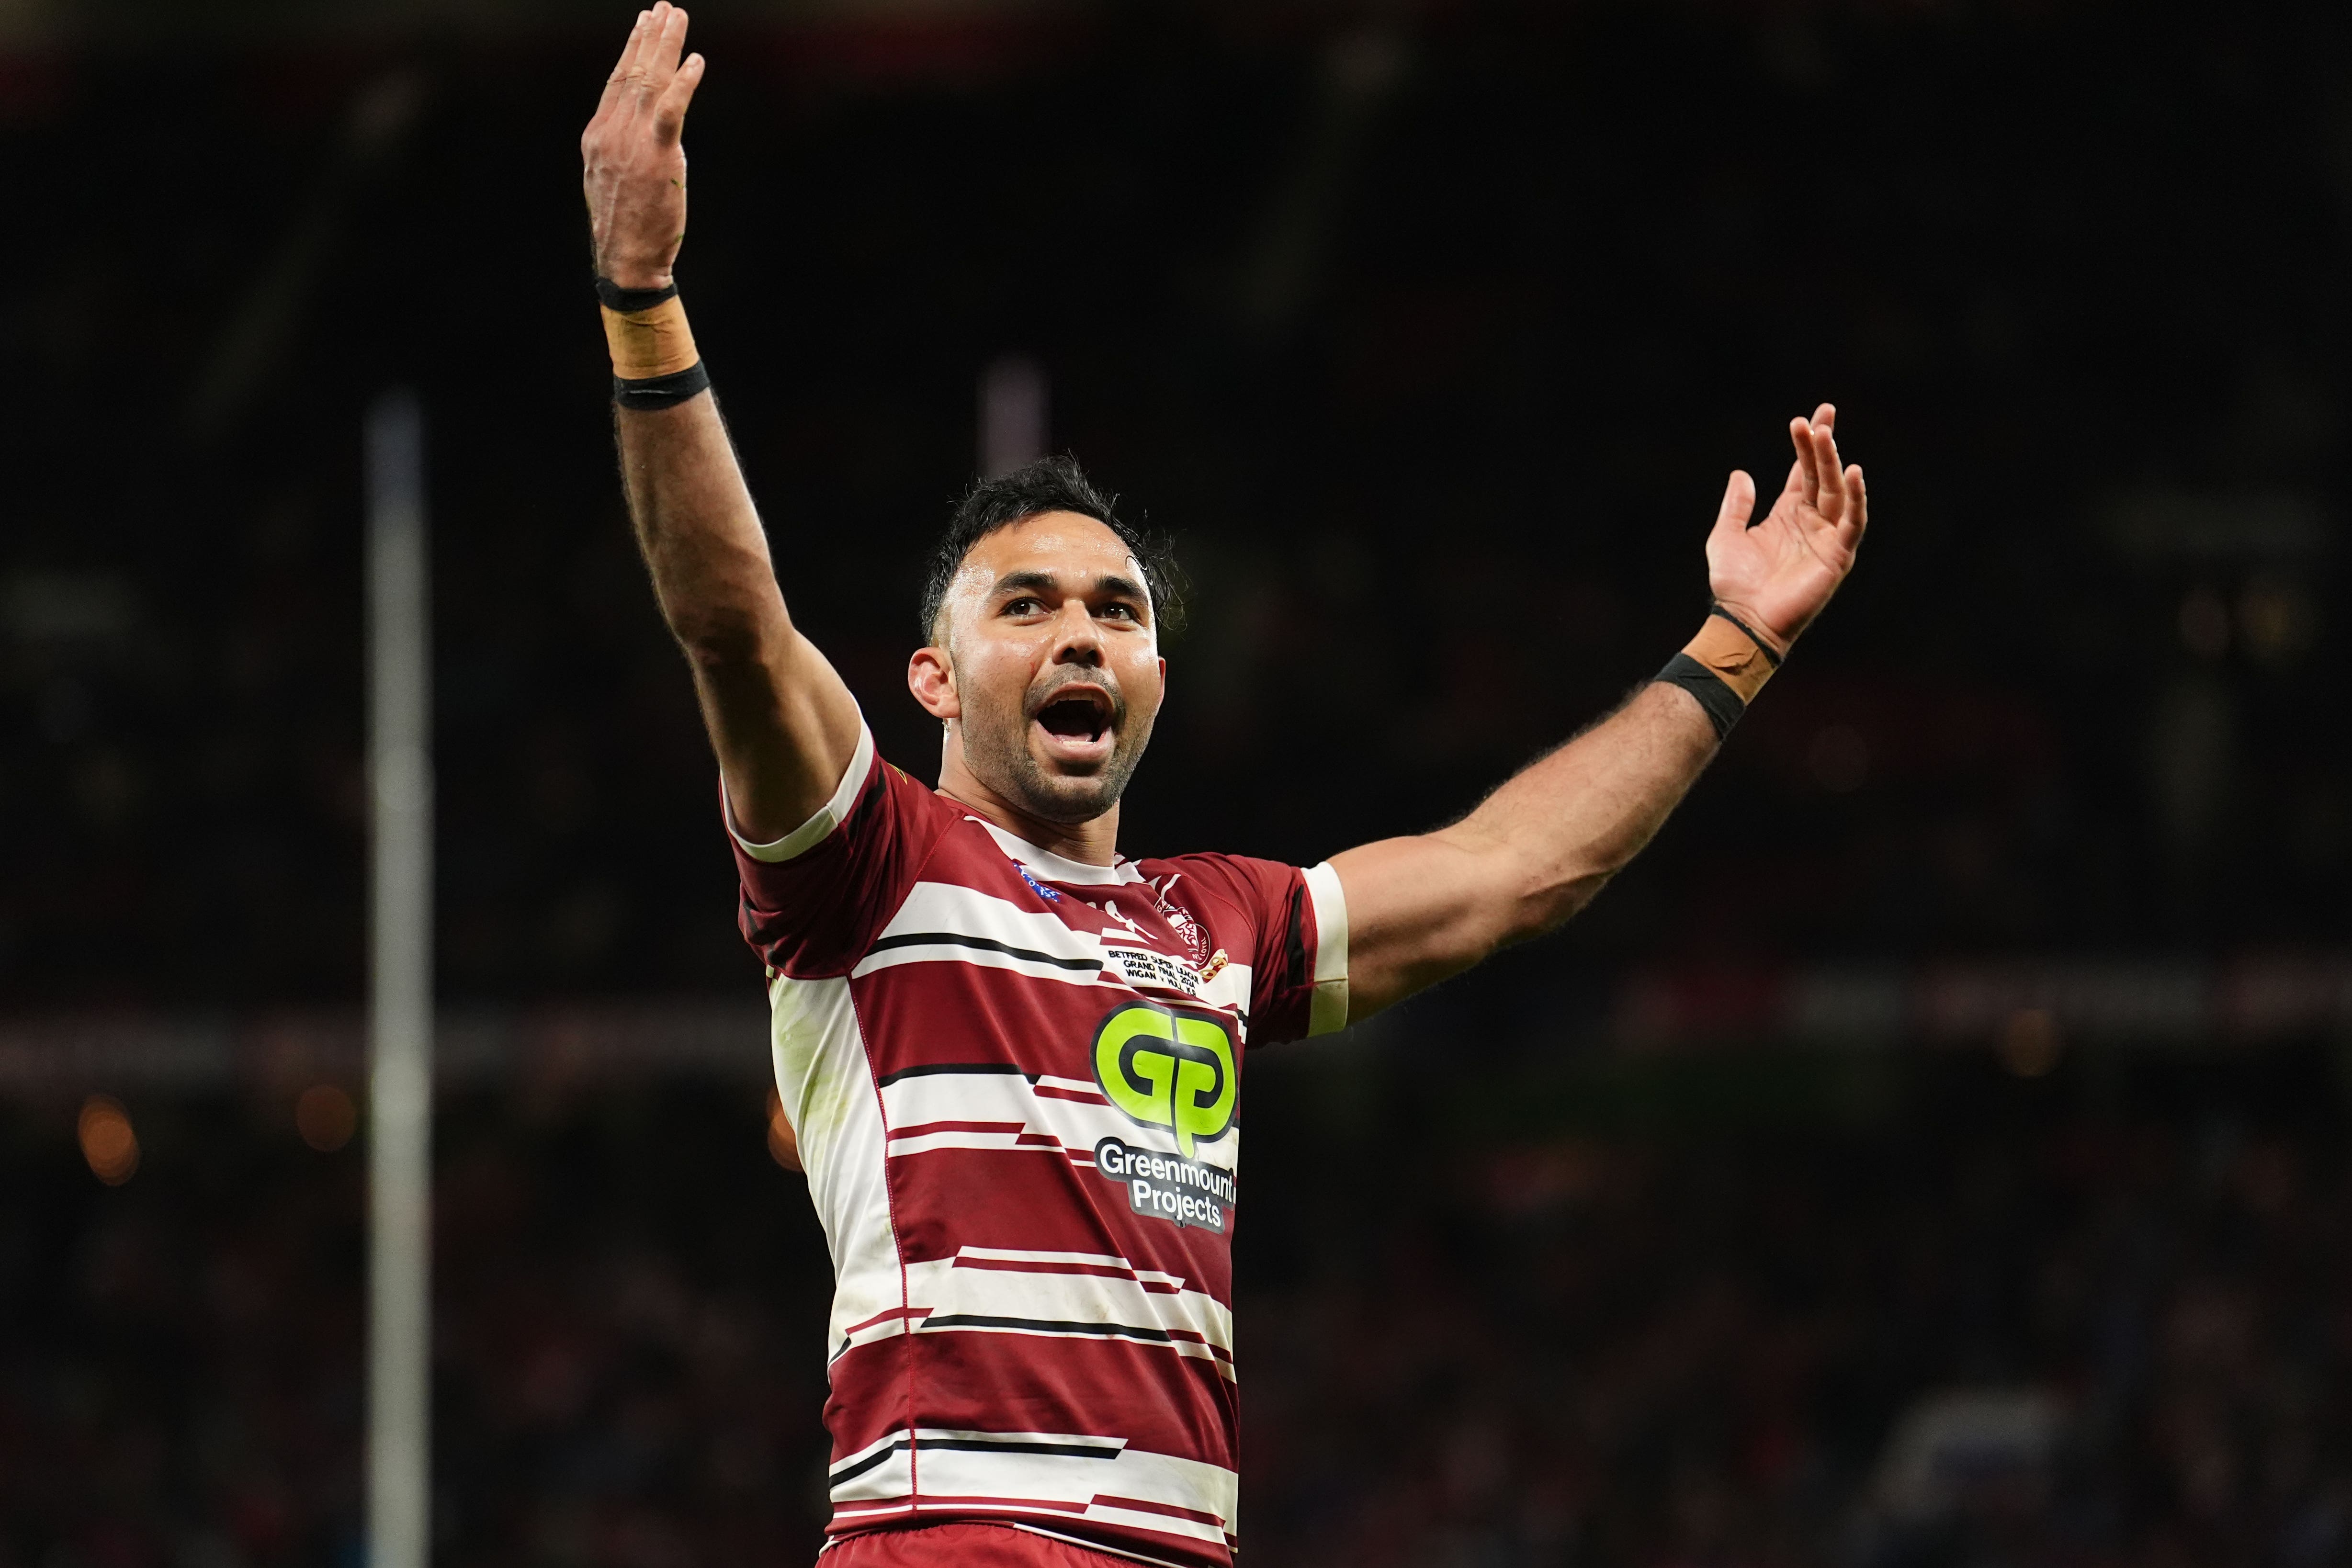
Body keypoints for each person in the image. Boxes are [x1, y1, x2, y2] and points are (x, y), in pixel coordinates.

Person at [581, 8, 1868, 1566]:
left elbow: (1511, 869)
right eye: (1029, 604)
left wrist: (1732, 645)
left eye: (1117, 612)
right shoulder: (870, 865)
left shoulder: (1220, 921)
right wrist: (643, 297)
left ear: (1159, 685)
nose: (1083, 635)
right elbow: (730, 619)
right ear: (930, 679)